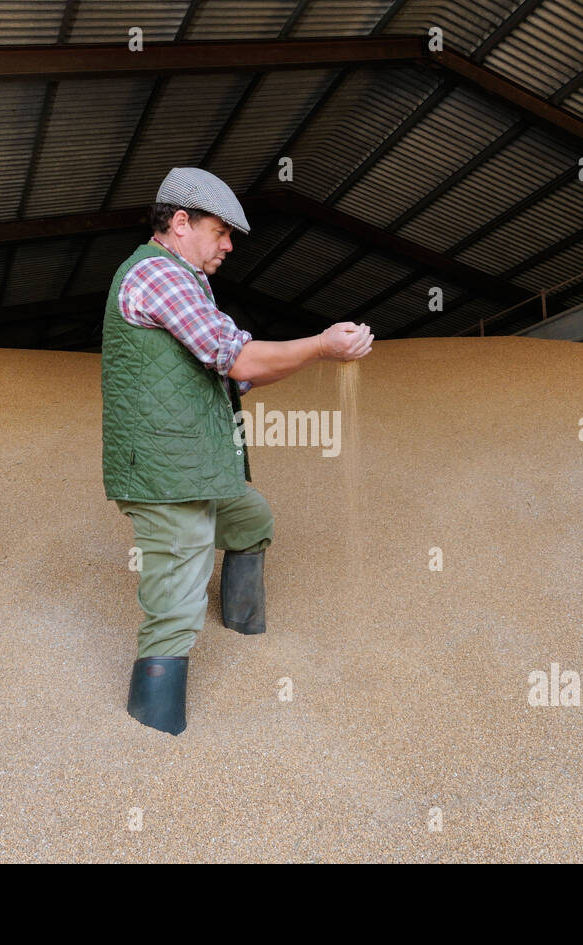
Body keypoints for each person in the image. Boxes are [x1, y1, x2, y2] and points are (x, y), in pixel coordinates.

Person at [101, 166, 374, 735]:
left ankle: (243, 625)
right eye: (221, 232)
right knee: (179, 588)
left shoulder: (191, 285)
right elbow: (238, 359)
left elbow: (240, 372)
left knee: (252, 519)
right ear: (181, 223)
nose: (229, 245)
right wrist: (322, 345)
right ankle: (153, 719)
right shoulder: (158, 274)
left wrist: (309, 353)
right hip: (161, 471)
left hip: (195, 466)